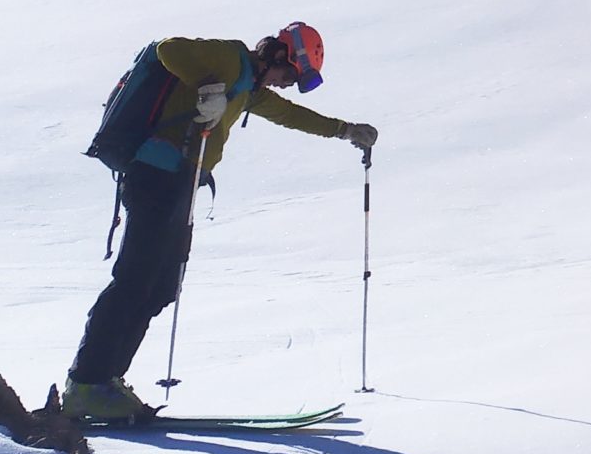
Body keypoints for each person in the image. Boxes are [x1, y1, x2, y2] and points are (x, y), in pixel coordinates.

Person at [64, 23, 378, 423]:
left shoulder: (247, 88)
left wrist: (344, 130)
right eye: (290, 75)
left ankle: (106, 381)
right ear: (278, 55)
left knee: (161, 286)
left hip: (180, 184)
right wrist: (208, 87)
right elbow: (168, 48)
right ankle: (87, 384)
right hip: (155, 175)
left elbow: (288, 115)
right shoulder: (229, 59)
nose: (286, 85)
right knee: (134, 279)